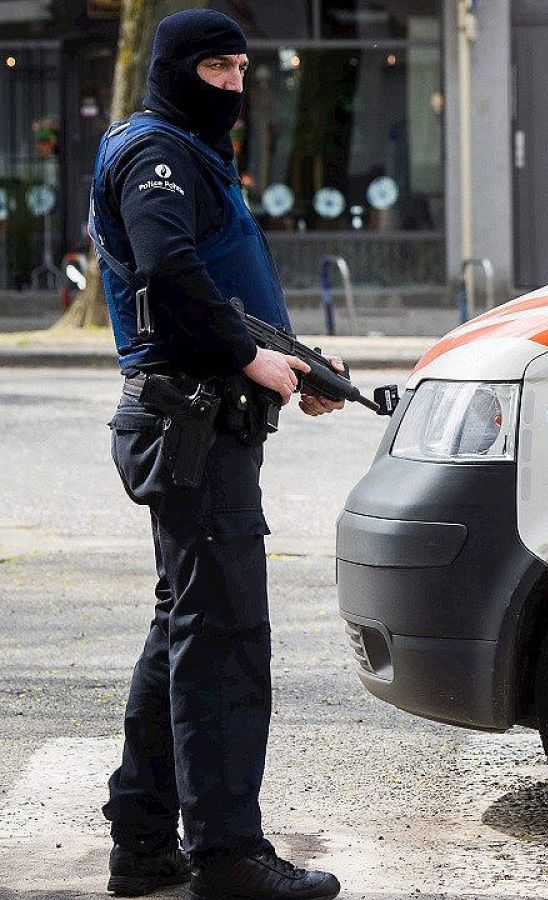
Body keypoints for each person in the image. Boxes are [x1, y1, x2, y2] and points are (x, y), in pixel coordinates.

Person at [91, 10, 342, 900]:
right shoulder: (154, 154)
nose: (233, 83)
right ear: (173, 69)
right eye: (216, 68)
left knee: (186, 630)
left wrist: (295, 364)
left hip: (207, 419)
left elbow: (224, 291)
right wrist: (248, 360)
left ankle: (145, 842)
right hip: (190, 422)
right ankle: (229, 857)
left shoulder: (190, 154)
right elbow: (168, 267)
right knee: (224, 639)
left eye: (241, 68)